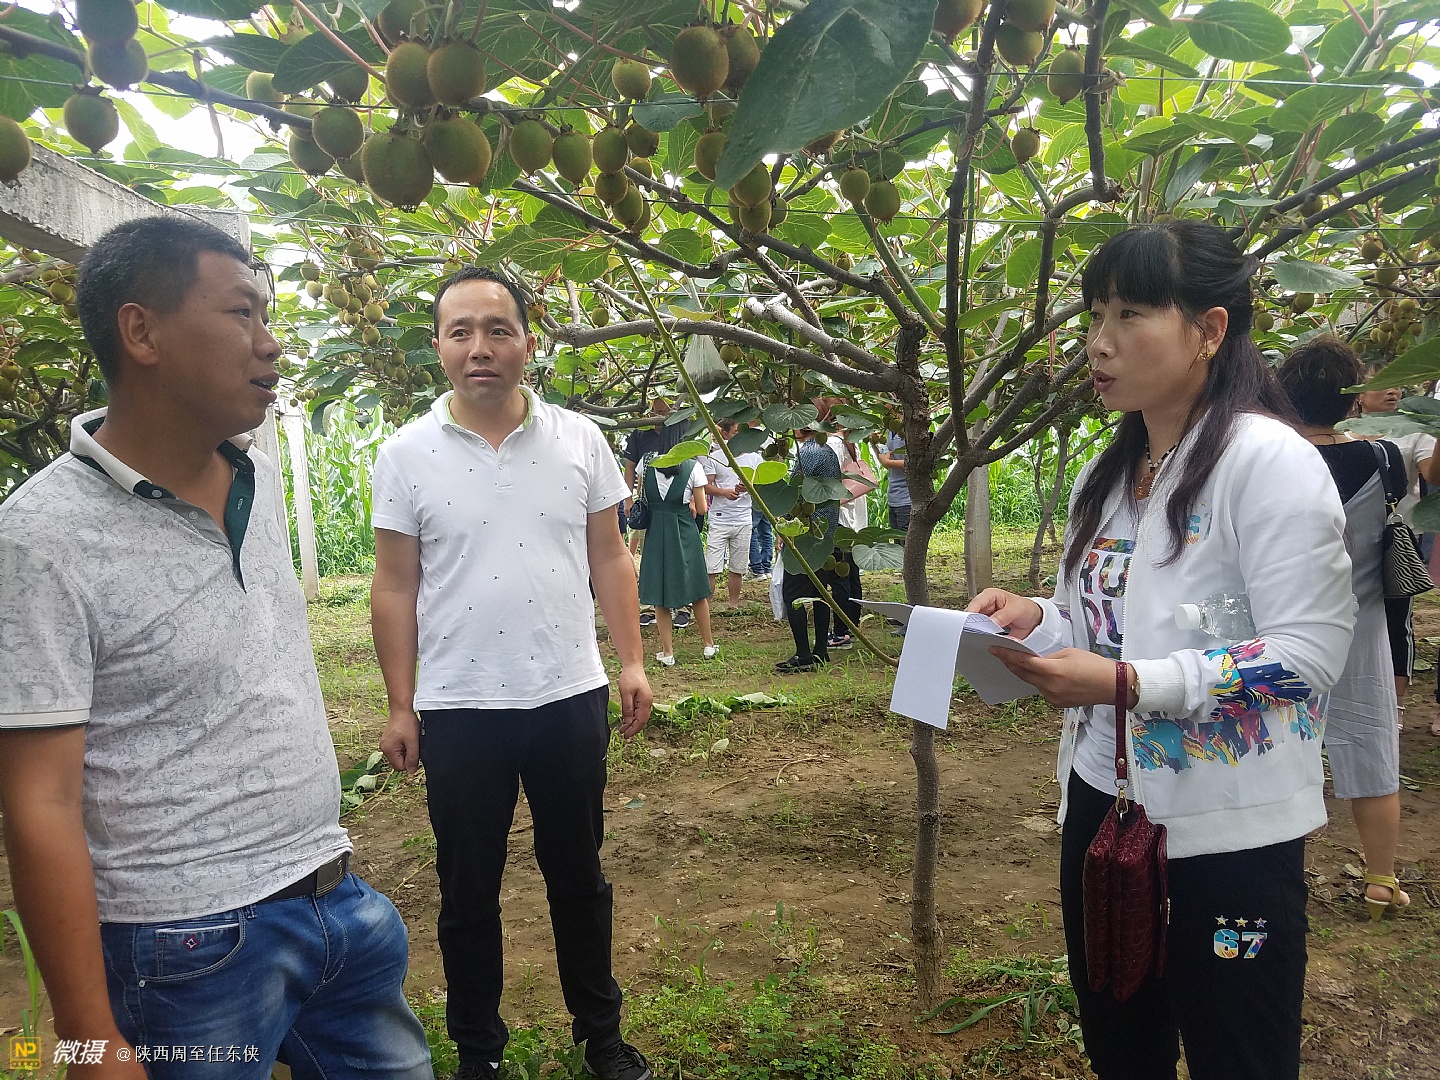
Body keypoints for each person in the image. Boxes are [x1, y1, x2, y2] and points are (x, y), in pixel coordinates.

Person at [0, 216, 432, 1080]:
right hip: (182, 948)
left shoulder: (253, 479)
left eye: (266, 317)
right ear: (141, 332)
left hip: (333, 897)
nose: (270, 345)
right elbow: (38, 802)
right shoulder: (39, 537)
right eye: (241, 314)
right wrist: (88, 1037)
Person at [967, 221, 1354, 1080]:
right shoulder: (1109, 475)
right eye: (1094, 315)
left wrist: (1131, 682)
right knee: (1121, 1044)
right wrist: (1039, 621)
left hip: (1229, 845)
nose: (1098, 343)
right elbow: (1104, 626)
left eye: (1130, 314)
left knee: (1240, 1051)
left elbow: (1308, 653)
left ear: (1209, 330)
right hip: (1104, 810)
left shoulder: (1268, 464)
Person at [370, 266, 654, 1080]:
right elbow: (395, 585)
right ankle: (478, 1053)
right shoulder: (406, 453)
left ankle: (601, 1037)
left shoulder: (579, 440)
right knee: (467, 890)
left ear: (528, 342)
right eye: (460, 332)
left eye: (498, 330)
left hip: (566, 695)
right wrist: (401, 704)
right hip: (458, 707)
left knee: (579, 877)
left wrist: (631, 661)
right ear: (437, 347)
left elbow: (610, 557)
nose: (480, 348)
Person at [1279, 336, 1410, 920]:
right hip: (1361, 624)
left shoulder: (1269, 460)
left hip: (1282, 625)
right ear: (1354, 399)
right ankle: (1380, 880)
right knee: (1371, 743)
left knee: (1276, 744)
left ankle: (1280, 872)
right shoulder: (1384, 459)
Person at [1355, 383, 1440, 733]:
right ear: (1359, 393)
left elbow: (1433, 475)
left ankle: (1394, 704)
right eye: (1381, 386)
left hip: (1396, 540)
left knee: (1395, 620)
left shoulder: (1413, 430)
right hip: (1347, 538)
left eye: (1396, 386)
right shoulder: (1340, 429)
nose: (1392, 392)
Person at [637, 454, 716, 665]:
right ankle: (708, 645)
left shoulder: (645, 464)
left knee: (660, 593)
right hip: (683, 531)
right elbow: (702, 509)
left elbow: (642, 495)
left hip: (656, 531)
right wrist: (691, 501)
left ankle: (668, 652)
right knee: (696, 588)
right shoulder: (693, 467)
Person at [776, 428, 844, 673]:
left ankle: (803, 654)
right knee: (820, 593)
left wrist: (785, 526)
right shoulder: (827, 450)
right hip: (825, 532)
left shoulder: (809, 451)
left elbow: (795, 493)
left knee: (792, 594)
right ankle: (821, 651)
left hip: (806, 533)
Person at [702, 419, 760, 608]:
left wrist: (749, 487)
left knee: (738, 567)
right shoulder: (715, 457)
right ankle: (706, 606)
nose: (740, 435)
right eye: (735, 432)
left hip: (743, 519)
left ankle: (733, 605)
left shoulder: (755, 459)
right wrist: (724, 492)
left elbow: (762, 485)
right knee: (711, 567)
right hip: (719, 519)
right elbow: (706, 486)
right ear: (725, 434)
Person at [827, 435, 875, 651]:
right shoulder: (848, 443)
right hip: (853, 522)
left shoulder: (831, 445)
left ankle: (841, 632)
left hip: (840, 520)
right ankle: (851, 626)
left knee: (840, 579)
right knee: (850, 576)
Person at [877, 426, 911, 531]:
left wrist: (887, 462)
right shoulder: (890, 428)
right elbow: (888, 461)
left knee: (906, 539)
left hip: (908, 498)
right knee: (897, 539)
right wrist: (876, 443)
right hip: (894, 497)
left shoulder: (911, 429)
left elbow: (917, 462)